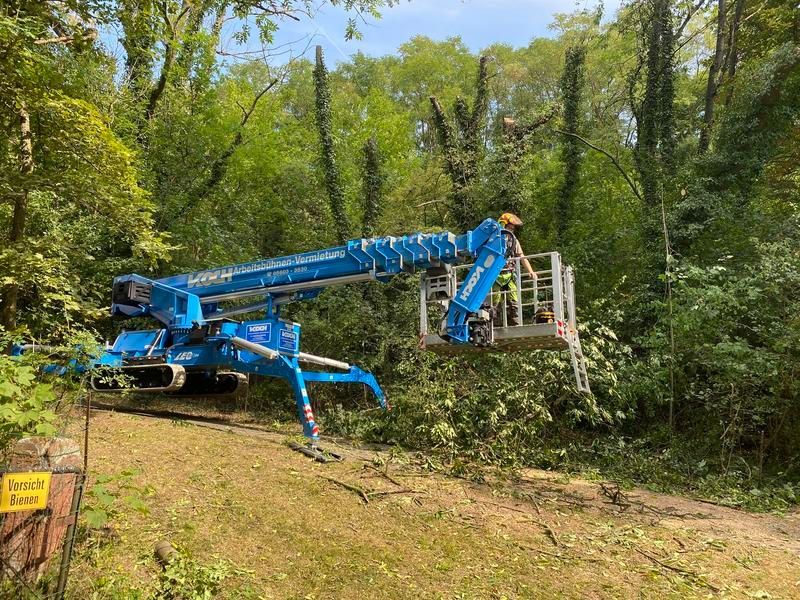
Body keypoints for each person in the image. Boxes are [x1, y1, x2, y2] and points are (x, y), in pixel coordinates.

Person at [492, 212, 537, 327]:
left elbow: (521, 256)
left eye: (512, 229)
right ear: (502, 225)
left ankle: (515, 323)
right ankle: (494, 324)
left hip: (510, 274)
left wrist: (530, 271)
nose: (511, 231)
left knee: (514, 299)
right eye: (509, 228)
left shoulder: (514, 240)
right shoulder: (493, 240)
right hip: (495, 274)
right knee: (494, 301)